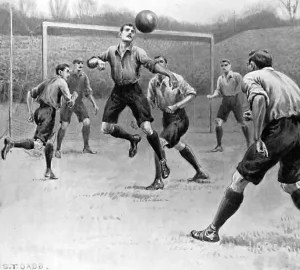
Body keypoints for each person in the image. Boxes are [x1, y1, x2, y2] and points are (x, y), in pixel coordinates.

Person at [191, 49, 300, 243]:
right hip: (298, 131)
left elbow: (259, 99)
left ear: (251, 64)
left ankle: (211, 231)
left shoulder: (251, 77)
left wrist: (258, 137)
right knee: (290, 184)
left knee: (239, 179)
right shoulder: (285, 78)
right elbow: (283, 105)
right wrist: (259, 114)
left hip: (280, 130)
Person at [87, 23, 178, 175]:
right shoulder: (110, 51)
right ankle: (132, 139)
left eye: (133, 31)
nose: (130, 33)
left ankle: (162, 161)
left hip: (134, 91)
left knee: (147, 128)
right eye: (127, 30)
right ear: (120, 34)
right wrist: (97, 61)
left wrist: (169, 74)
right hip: (118, 92)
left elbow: (151, 65)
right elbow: (90, 62)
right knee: (106, 128)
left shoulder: (138, 52)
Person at [1, 64, 77, 179]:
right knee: (38, 144)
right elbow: (69, 102)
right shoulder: (62, 82)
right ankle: (12, 143)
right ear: (60, 72)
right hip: (48, 113)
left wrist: (30, 112)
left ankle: (48, 170)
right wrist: (74, 98)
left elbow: (29, 94)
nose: (69, 74)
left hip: (39, 111)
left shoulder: (47, 82)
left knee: (50, 141)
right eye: (67, 71)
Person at [146, 56, 209, 190]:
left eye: (161, 62)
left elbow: (192, 93)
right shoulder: (153, 82)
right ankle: (200, 172)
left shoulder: (176, 78)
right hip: (167, 119)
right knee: (178, 145)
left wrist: (176, 106)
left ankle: (158, 181)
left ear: (166, 65)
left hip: (179, 119)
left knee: (158, 144)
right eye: (155, 63)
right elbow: (149, 102)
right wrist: (142, 115)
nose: (158, 65)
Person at [55, 58, 99, 158]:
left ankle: (86, 147)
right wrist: (59, 102)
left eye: (82, 63)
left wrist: (94, 104)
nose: (80, 65)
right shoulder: (67, 75)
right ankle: (57, 149)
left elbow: (88, 92)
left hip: (78, 103)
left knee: (87, 122)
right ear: (74, 64)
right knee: (64, 126)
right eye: (78, 63)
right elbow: (59, 89)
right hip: (68, 104)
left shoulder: (84, 77)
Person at [207, 59, 250, 152]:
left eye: (226, 65)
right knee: (218, 121)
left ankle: (249, 145)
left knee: (242, 122)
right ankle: (219, 146)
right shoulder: (220, 78)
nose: (224, 67)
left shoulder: (237, 76)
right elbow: (218, 91)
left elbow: (243, 88)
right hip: (225, 101)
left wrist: (245, 102)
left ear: (230, 66)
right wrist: (212, 96)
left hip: (235, 100)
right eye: (222, 66)